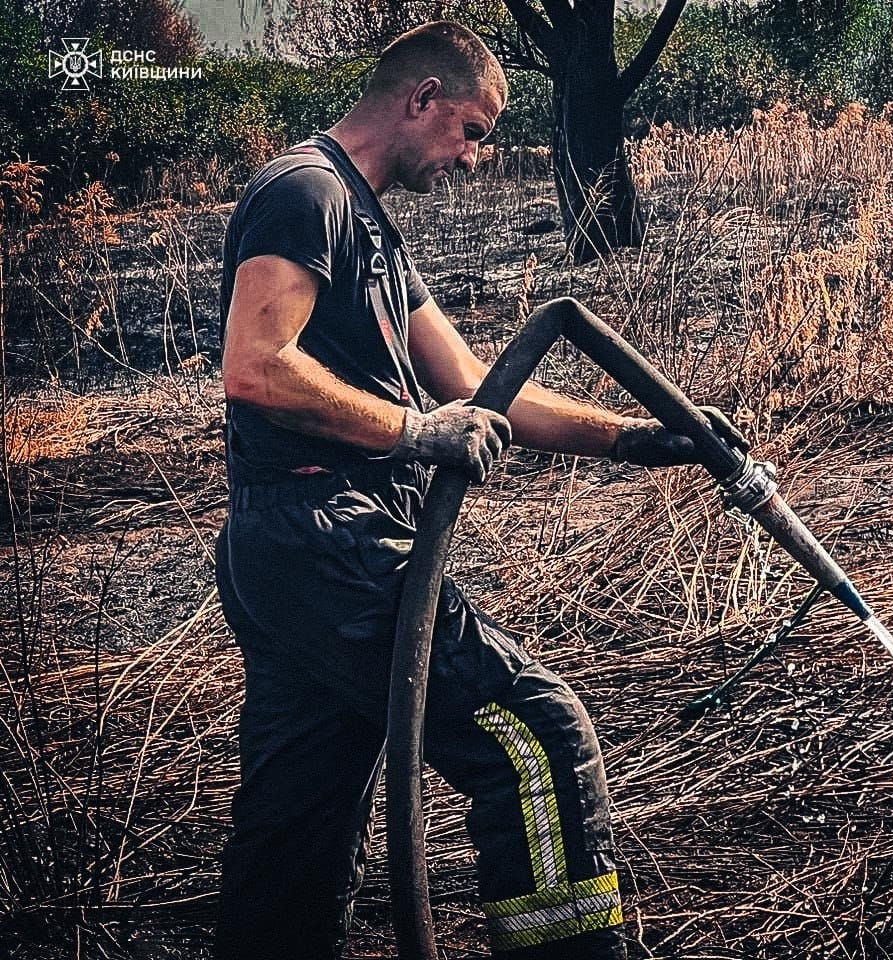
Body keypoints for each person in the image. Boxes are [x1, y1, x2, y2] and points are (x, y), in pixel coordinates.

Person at [213, 20, 743, 960]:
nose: (472, 156)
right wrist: (414, 433)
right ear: (421, 99)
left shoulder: (369, 223)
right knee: (536, 739)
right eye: (472, 130)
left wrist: (635, 436)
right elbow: (258, 369)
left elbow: (473, 382)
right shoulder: (306, 192)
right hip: (321, 535)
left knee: (298, 827)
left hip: (306, 545)